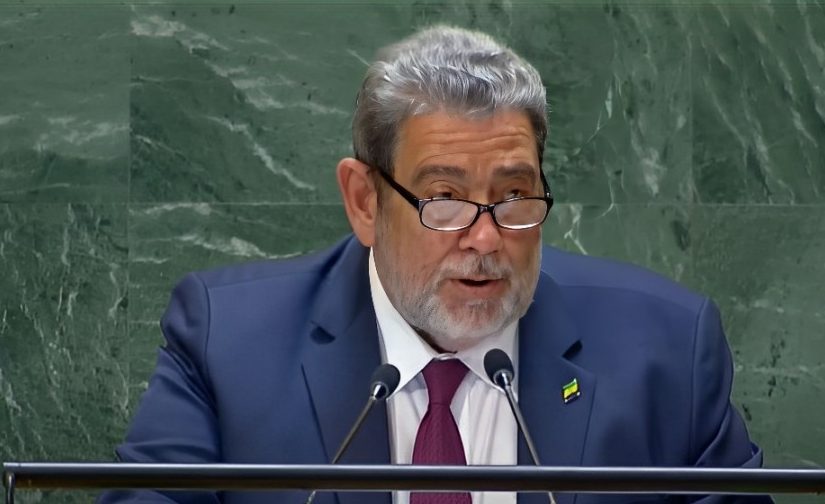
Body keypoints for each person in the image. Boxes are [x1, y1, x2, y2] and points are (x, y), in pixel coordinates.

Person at [100, 26, 773, 504]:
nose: (484, 238)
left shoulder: (667, 352)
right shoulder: (226, 344)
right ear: (365, 201)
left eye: (513, 196)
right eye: (444, 199)